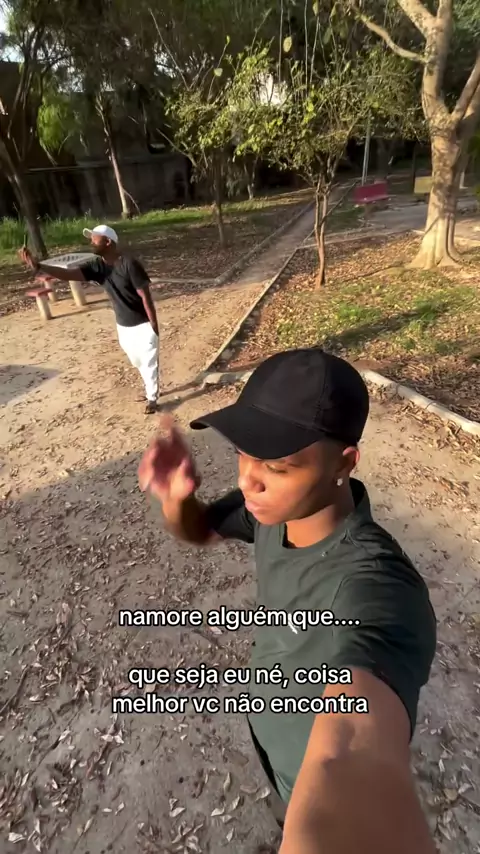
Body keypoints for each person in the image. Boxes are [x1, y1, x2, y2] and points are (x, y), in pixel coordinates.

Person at [138, 347, 438, 854]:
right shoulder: (277, 512)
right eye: (244, 452)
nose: (246, 479)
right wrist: (175, 498)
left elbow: (350, 751)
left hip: (307, 775)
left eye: (276, 465)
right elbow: (201, 528)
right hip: (277, 752)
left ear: (344, 462)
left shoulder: (378, 588)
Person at [19, 224, 160, 414]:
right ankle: (150, 388)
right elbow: (68, 274)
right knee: (137, 361)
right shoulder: (98, 266)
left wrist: (153, 325)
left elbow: (145, 296)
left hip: (142, 324)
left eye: (95, 238)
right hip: (123, 325)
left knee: (149, 362)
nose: (91, 242)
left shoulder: (129, 264)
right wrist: (39, 266)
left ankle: (152, 398)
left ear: (108, 242)